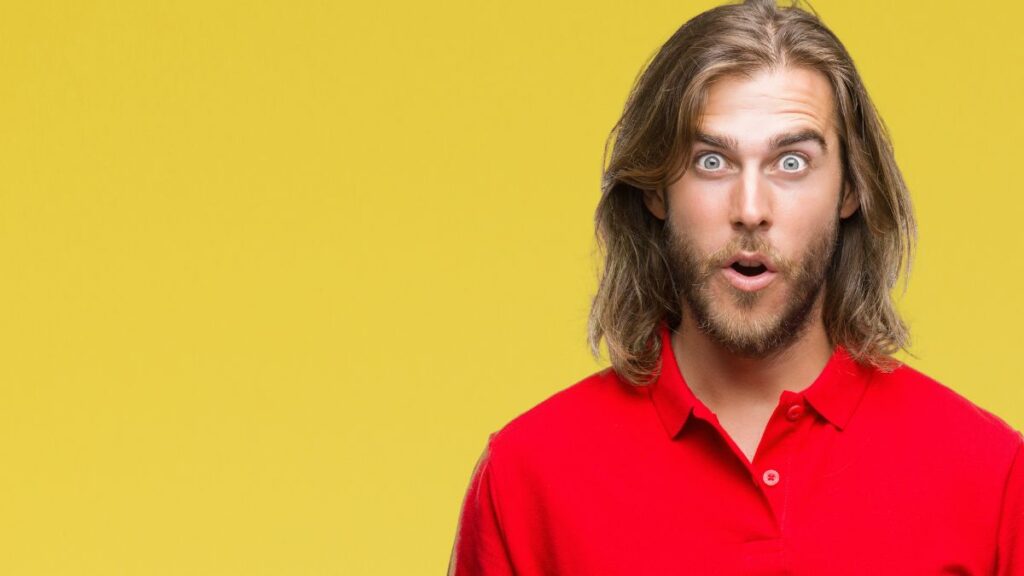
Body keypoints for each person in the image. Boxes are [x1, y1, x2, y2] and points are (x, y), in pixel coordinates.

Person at [448, 0, 1024, 573]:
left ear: (851, 190)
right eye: (712, 161)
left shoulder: (991, 477)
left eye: (792, 163)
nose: (750, 209)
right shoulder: (527, 478)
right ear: (655, 191)